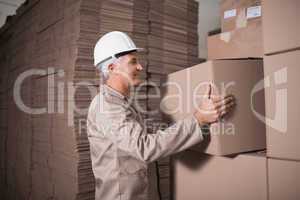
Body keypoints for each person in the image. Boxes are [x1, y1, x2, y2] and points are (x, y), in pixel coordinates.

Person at [87, 31, 235, 200]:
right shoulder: (106, 107)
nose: (140, 67)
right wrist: (198, 119)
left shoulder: (122, 103)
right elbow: (144, 148)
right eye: (133, 62)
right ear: (113, 68)